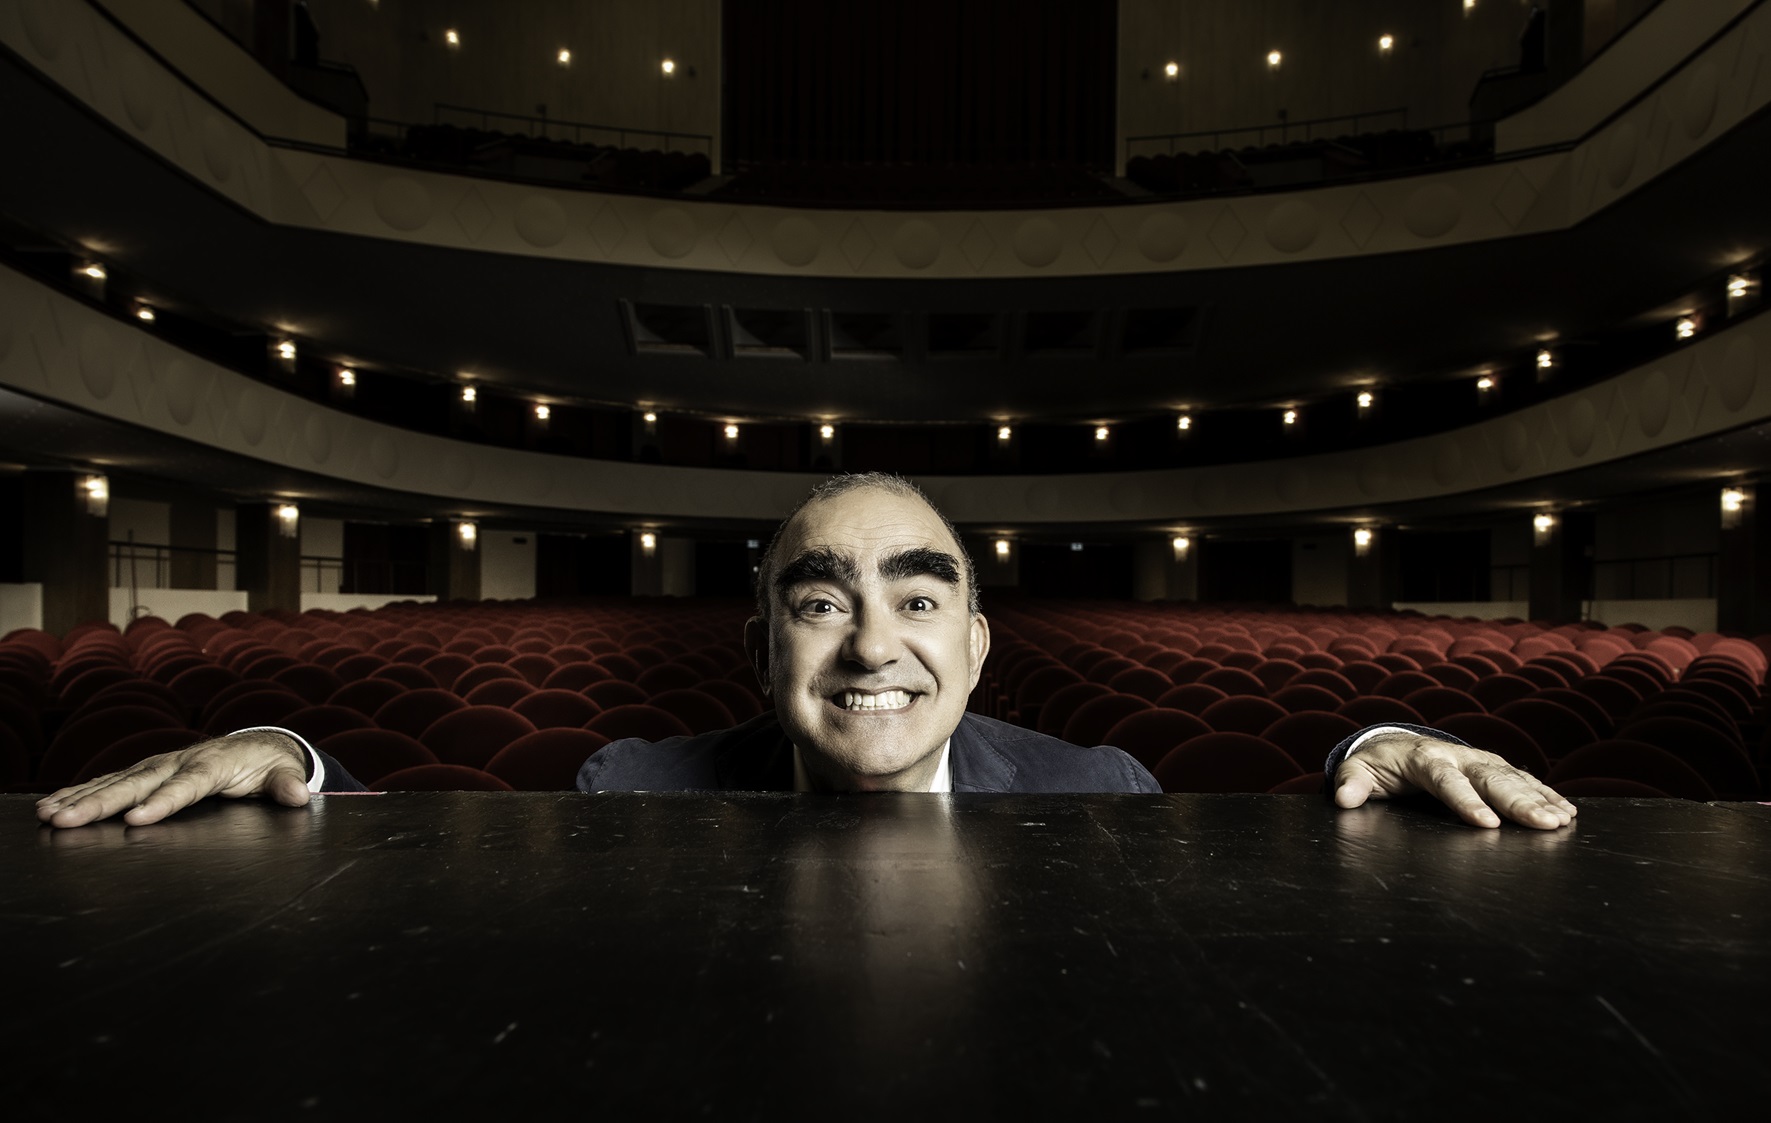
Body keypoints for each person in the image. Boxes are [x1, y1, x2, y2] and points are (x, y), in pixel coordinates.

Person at [36, 473, 1577, 831]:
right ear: (762, 642)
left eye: (919, 598)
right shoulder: (633, 791)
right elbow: (446, 892)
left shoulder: (1100, 792)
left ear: (979, 645)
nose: (873, 647)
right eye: (823, 601)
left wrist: (1373, 748)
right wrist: (290, 761)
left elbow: (1259, 915)